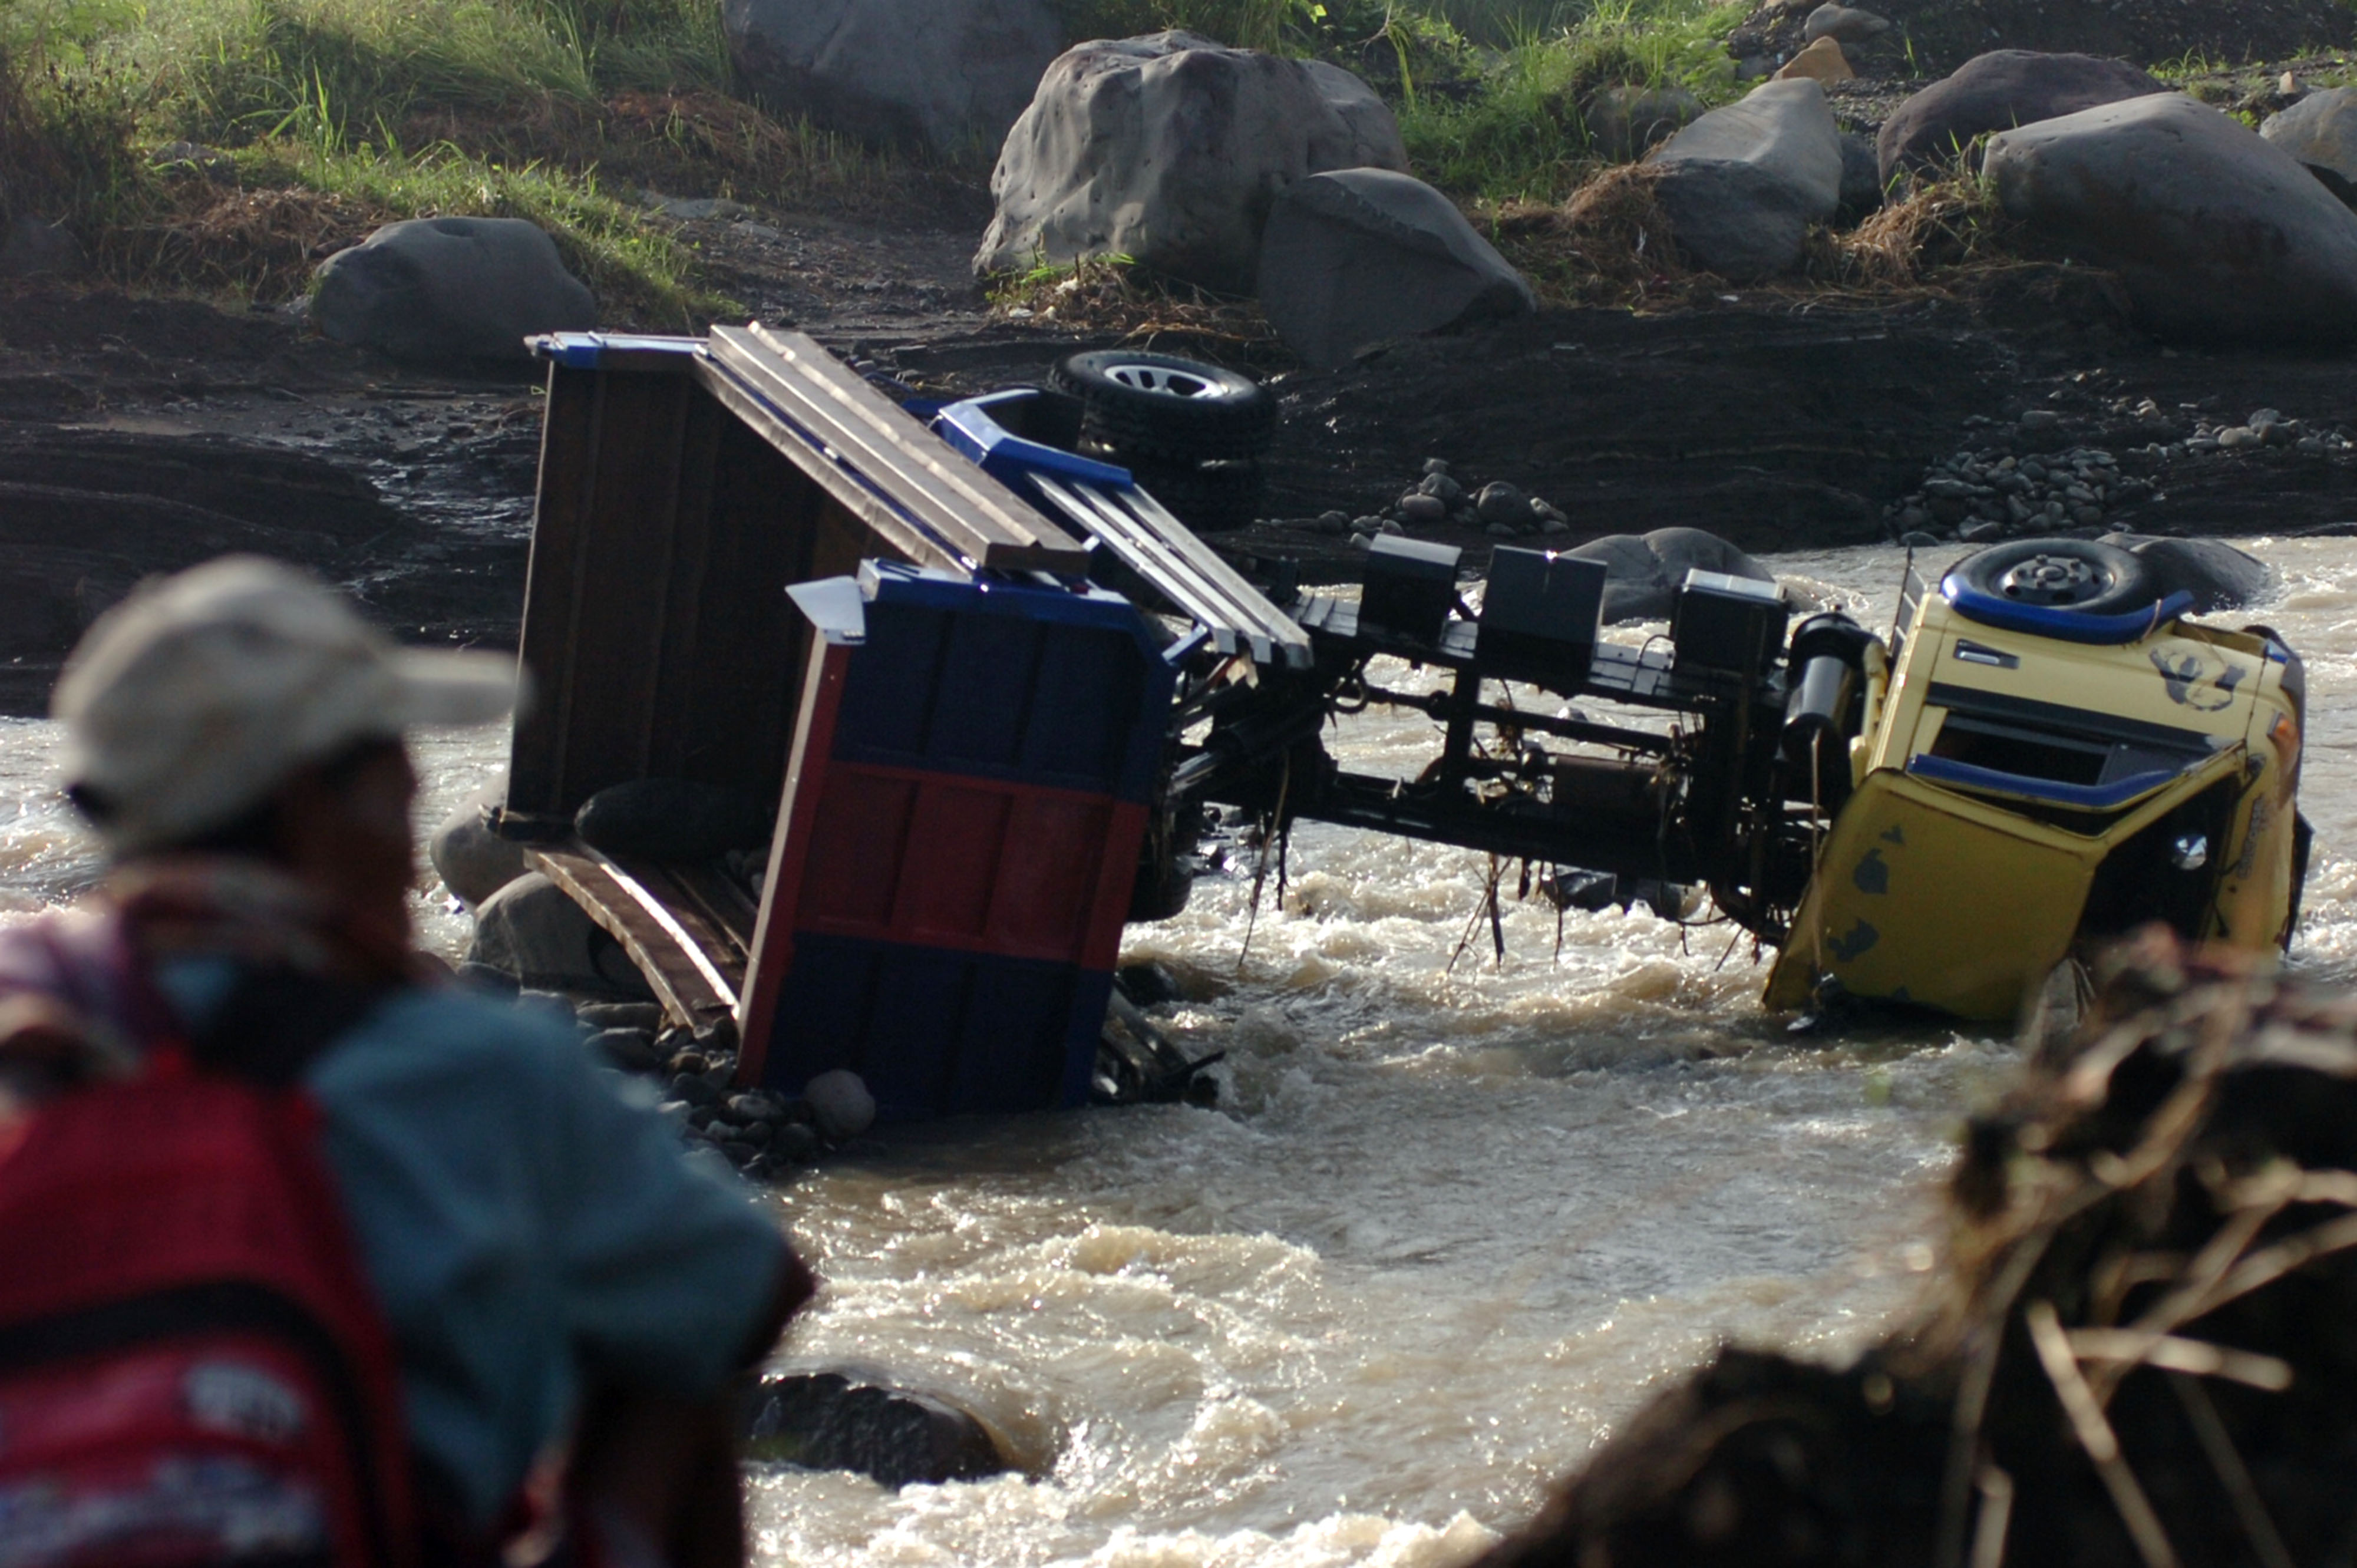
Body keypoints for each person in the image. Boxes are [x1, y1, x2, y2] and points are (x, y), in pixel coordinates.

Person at [0, 556, 810, 1566]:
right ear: (315, 798)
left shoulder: (21, 994)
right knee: (672, 1380)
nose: (421, 787)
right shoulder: (478, 1063)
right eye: (393, 762)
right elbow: (747, 1284)